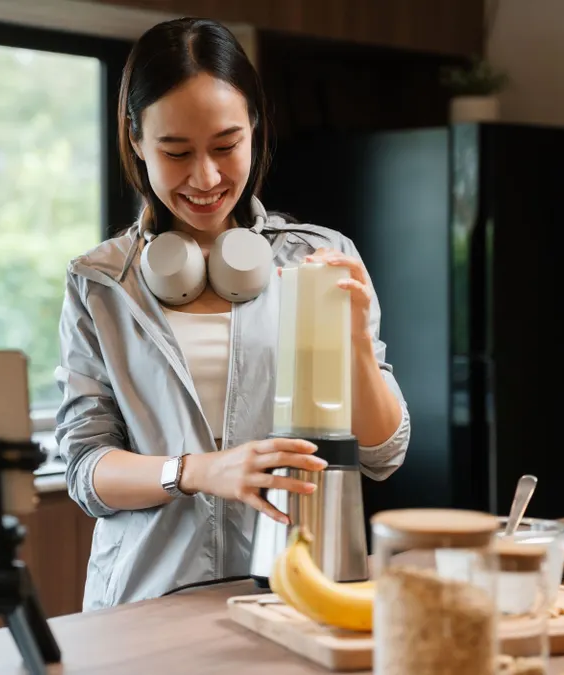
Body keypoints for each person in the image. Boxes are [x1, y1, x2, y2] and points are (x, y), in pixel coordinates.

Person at [54, 17, 411, 612]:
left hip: (296, 593)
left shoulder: (319, 259)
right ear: (137, 141)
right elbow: (86, 472)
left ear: (254, 131)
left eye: (226, 145)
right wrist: (196, 471)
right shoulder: (99, 283)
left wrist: (352, 341)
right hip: (143, 606)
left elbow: (382, 454)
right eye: (175, 152)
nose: (206, 177)